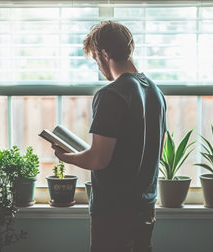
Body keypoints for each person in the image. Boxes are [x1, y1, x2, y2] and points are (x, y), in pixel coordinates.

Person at [51, 20, 167, 252]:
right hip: (146, 207)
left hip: (114, 212)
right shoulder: (156, 91)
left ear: (104, 53)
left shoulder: (110, 94)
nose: (98, 65)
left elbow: (98, 160)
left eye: (95, 58)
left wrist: (67, 157)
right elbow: (158, 151)